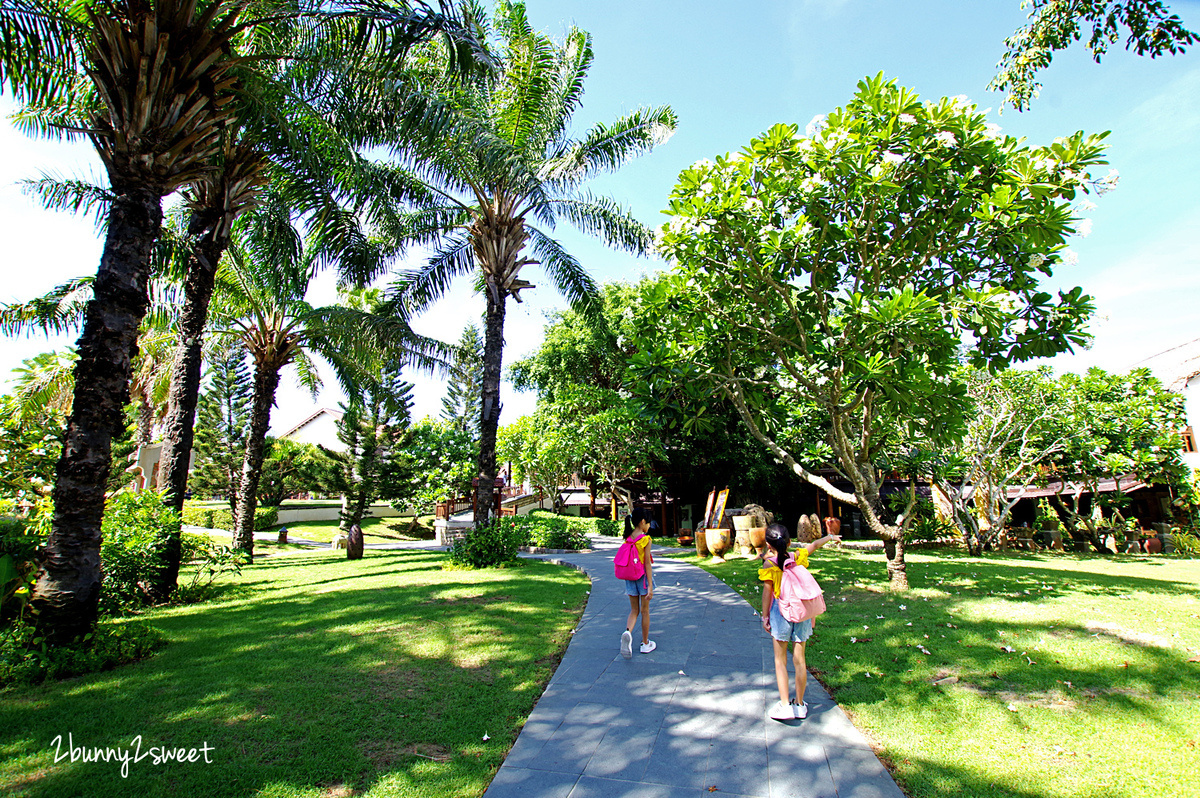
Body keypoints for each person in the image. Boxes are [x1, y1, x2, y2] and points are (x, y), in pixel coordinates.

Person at [759, 521, 840, 720]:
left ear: (769, 545)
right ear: (788, 542)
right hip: (802, 610)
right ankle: (800, 704)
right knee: (799, 660)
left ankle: (785, 704)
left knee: (780, 660)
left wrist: (765, 616)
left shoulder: (769, 564)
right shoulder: (797, 557)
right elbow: (813, 546)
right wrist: (830, 537)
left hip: (781, 611)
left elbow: (767, 593)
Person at [620, 508, 656, 658]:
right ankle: (645, 643)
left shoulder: (628, 537)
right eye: (648, 523)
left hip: (629, 578)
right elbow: (647, 564)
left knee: (634, 610)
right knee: (645, 611)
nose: (649, 526)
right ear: (642, 522)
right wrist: (650, 586)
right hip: (642, 578)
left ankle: (627, 632)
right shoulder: (646, 539)